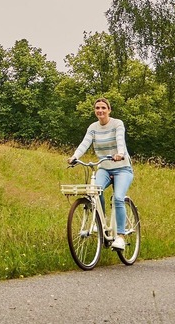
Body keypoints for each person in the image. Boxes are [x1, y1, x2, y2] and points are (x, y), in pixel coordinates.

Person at [68, 97, 134, 249]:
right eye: (97, 108)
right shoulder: (93, 127)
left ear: (109, 110)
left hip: (122, 167)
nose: (100, 111)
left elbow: (120, 140)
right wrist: (75, 157)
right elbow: (85, 143)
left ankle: (121, 236)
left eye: (103, 108)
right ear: (95, 111)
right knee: (94, 192)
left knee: (118, 198)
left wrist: (121, 153)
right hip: (104, 168)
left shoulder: (117, 124)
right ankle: (100, 220)